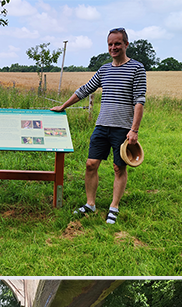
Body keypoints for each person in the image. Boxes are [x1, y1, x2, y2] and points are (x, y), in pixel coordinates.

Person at [51, 28, 146, 224]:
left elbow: (139, 101)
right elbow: (85, 90)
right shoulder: (104, 70)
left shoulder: (137, 68)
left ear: (126, 45)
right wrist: (63, 106)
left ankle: (114, 207)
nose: (113, 47)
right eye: (110, 44)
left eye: (117, 43)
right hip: (102, 126)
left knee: (118, 168)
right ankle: (90, 204)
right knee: (90, 164)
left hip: (123, 129)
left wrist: (134, 130)